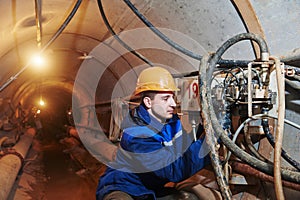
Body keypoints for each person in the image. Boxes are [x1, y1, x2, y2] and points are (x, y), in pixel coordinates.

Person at [96, 66, 211, 200]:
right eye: (165, 98)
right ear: (148, 102)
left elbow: (185, 145)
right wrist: (209, 143)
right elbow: (174, 170)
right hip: (125, 188)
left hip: (150, 188)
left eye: (173, 97)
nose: (173, 104)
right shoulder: (137, 135)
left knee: (190, 197)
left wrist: (207, 126)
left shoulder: (171, 122)